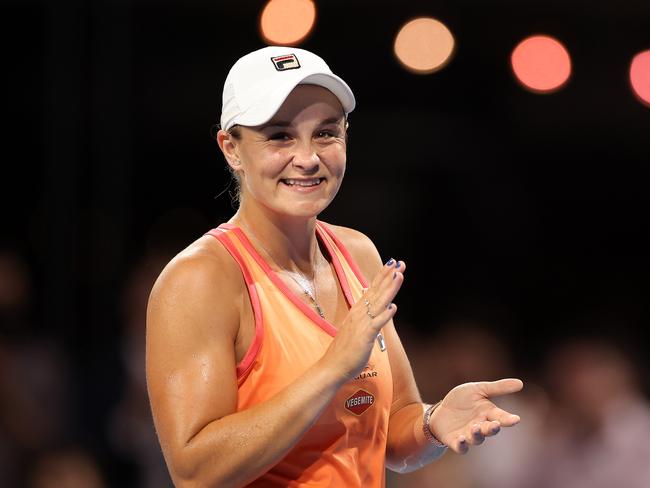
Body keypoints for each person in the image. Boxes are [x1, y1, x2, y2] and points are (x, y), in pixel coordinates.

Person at [145, 45, 523, 487]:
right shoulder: (199, 280)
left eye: (326, 133)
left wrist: (434, 423)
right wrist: (331, 369)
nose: (307, 158)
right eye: (280, 136)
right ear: (231, 148)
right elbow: (195, 471)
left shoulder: (356, 252)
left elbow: (393, 433)